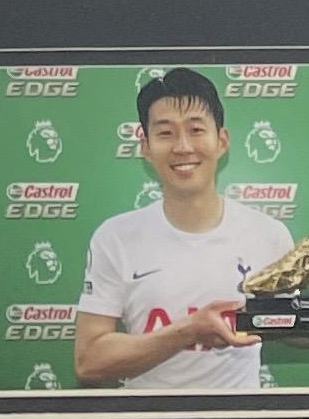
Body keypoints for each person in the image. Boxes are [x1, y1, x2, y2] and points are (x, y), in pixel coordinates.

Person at [69, 66, 276, 392]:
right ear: (146, 146)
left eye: (196, 130)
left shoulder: (267, 233)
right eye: (165, 133)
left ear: (221, 141)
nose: (183, 147)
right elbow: (89, 362)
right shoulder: (115, 238)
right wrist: (189, 330)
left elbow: (291, 324)